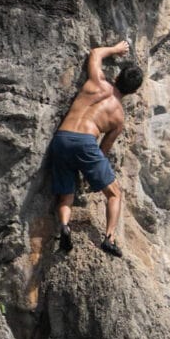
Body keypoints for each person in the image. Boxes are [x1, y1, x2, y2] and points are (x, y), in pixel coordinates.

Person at [49, 41, 143, 257]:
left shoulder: (96, 82)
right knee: (114, 194)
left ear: (117, 77)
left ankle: (64, 225)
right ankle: (109, 238)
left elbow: (95, 53)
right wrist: (92, 174)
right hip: (86, 143)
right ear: (133, 92)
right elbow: (102, 151)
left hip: (61, 138)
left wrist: (116, 49)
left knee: (66, 194)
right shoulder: (118, 118)